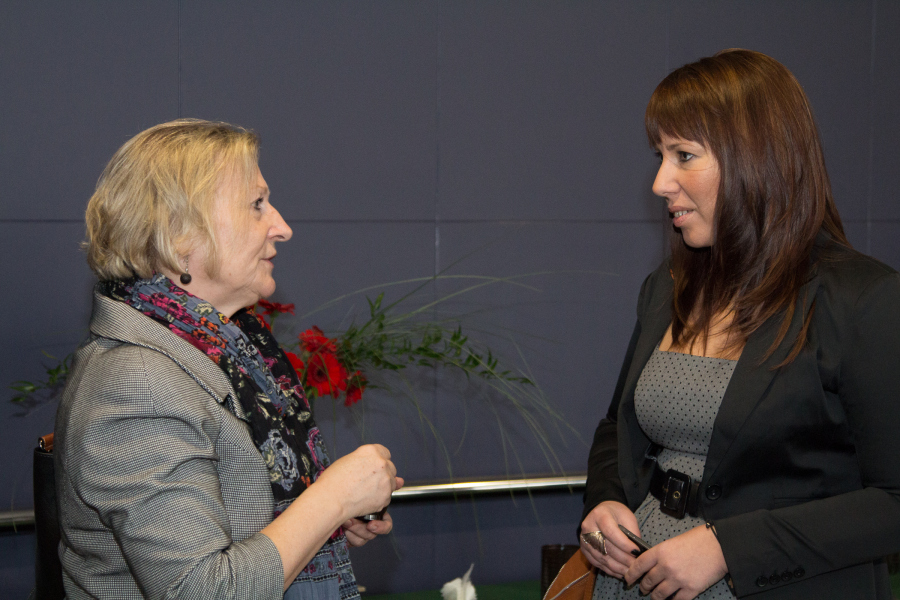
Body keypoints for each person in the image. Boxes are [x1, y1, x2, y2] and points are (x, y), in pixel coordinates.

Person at [579, 49, 900, 600]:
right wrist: (605, 500)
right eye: (660, 155)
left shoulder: (862, 299)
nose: (660, 182)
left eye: (684, 155)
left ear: (758, 158)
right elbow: (618, 428)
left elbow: (893, 499)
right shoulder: (668, 287)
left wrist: (730, 548)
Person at [54, 119, 403, 600]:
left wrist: (326, 520)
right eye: (256, 204)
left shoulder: (228, 348)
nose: (282, 228)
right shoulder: (138, 383)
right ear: (180, 235)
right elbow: (199, 590)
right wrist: (332, 500)